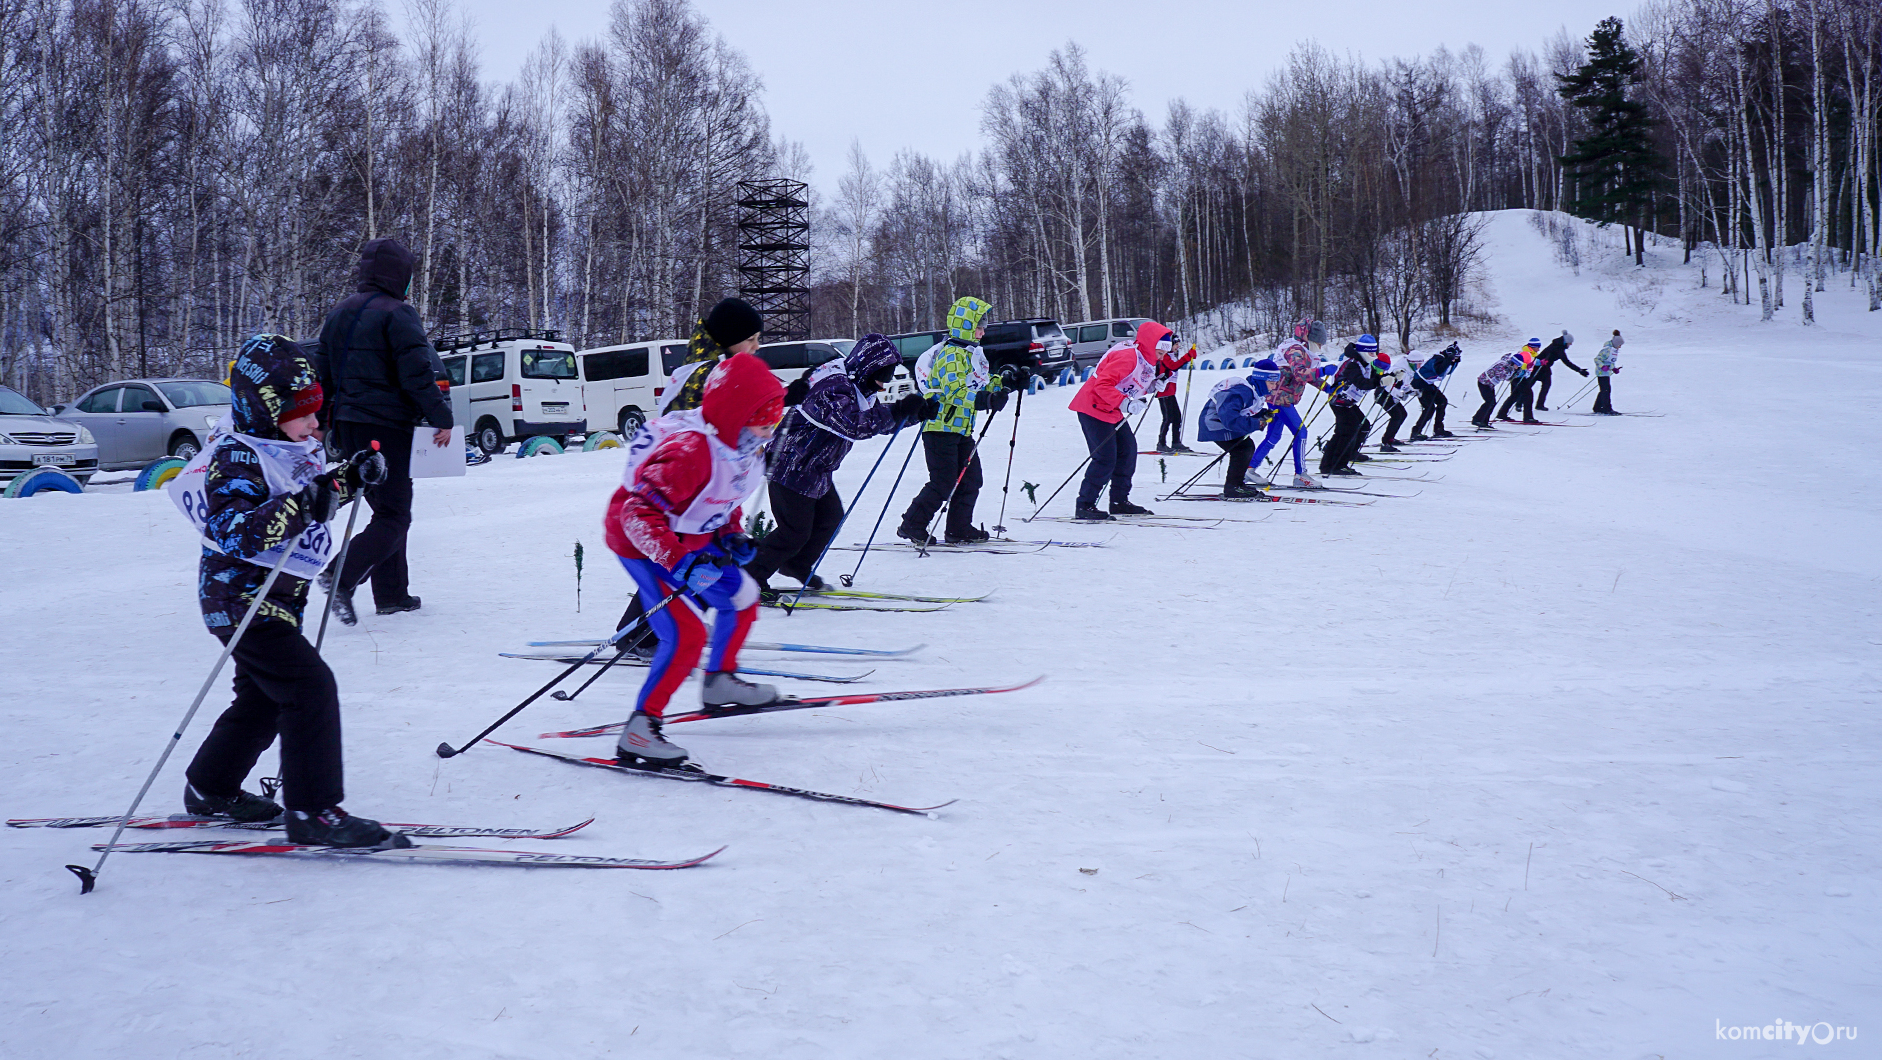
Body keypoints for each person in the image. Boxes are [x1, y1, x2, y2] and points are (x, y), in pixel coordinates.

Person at [181, 335, 402, 848]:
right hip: (238, 599)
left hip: (277, 597)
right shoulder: (235, 456)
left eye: (316, 413)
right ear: (264, 409)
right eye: (302, 415)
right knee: (309, 688)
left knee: (261, 700)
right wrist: (309, 502)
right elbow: (237, 529)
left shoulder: (287, 447)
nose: (314, 426)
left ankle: (210, 786)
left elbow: (316, 497)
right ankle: (313, 810)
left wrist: (349, 478)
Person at [603, 352, 786, 768]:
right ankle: (640, 730)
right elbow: (637, 515)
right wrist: (680, 563)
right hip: (644, 542)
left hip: (691, 534)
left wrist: (731, 533)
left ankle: (719, 681)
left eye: (774, 417)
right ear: (735, 414)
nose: (770, 427)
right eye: (763, 418)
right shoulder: (691, 451)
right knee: (685, 635)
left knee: (742, 595)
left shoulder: (744, 445)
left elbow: (723, 496)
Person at [615, 297, 766, 658]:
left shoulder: (714, 366)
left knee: (693, 557)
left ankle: (658, 627)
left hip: (696, 482)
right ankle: (643, 634)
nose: (757, 347)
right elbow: (714, 424)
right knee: (680, 556)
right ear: (731, 338)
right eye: (751, 339)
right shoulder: (709, 373)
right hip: (682, 481)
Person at [317, 238, 453, 626]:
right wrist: (440, 416)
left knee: (383, 508)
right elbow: (417, 376)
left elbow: (323, 377)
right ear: (400, 275)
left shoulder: (338, 313)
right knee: (395, 514)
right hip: (388, 425)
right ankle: (340, 576)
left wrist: (325, 424)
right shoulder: (399, 314)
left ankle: (392, 594)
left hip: (348, 426)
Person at [750, 335, 931, 594]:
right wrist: (898, 410)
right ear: (868, 367)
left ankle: (796, 563)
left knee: (830, 519)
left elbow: (873, 419)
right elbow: (853, 424)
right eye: (883, 374)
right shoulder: (832, 385)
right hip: (791, 466)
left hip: (816, 469)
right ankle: (751, 578)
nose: (885, 382)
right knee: (794, 532)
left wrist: (912, 415)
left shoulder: (858, 385)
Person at [897, 296, 1005, 545]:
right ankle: (912, 524)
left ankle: (958, 528)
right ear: (964, 325)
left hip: (962, 429)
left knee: (971, 479)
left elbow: (983, 381)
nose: (983, 331)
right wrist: (984, 401)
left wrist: (1004, 382)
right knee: (943, 482)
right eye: (979, 325)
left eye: (985, 325)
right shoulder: (950, 355)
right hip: (940, 428)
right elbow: (955, 391)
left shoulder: (971, 354)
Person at [1068, 320, 1170, 520]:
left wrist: (1152, 387)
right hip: (1092, 406)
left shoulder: (1143, 359)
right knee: (1105, 457)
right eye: (1160, 353)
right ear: (1150, 345)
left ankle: (1119, 501)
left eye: (1164, 354)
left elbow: (1129, 384)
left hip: (1110, 409)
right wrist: (1125, 403)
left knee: (1128, 451)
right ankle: (1085, 505)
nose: (1161, 358)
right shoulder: (1127, 357)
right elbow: (1103, 385)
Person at [1246, 318, 1326, 489]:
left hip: (1281, 398)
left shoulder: (1303, 350)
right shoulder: (1295, 349)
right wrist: (1323, 371)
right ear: (1306, 337)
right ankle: (1300, 475)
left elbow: (1308, 376)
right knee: (1301, 432)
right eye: (1317, 341)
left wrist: (1327, 387)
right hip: (1280, 399)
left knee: (1273, 436)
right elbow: (1300, 374)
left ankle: (1249, 469)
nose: (1320, 345)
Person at [1196, 365, 1276, 497]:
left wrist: (1262, 414)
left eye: (1275, 383)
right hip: (1214, 424)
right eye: (1271, 383)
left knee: (1245, 447)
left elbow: (1244, 412)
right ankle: (1233, 487)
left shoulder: (1252, 391)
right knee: (1242, 449)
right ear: (1261, 381)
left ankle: (1236, 484)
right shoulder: (1242, 391)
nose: (1273, 387)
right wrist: (1256, 423)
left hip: (1220, 423)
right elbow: (1230, 418)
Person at [1319, 337, 1378, 477]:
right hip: (1339, 402)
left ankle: (1330, 464)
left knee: (1361, 426)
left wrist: (1390, 377)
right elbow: (1361, 382)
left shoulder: (1364, 363)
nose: (1373, 356)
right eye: (1371, 353)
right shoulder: (1352, 364)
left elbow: (1373, 378)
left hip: (1348, 402)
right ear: (1363, 352)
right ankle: (1338, 464)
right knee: (1348, 430)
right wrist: (1380, 382)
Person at [1407, 342, 1462, 441]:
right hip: (1420, 383)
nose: (1454, 359)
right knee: (1429, 408)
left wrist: (1455, 362)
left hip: (1428, 384)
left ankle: (1438, 429)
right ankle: (1416, 432)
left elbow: (1448, 371)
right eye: (1454, 357)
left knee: (1442, 402)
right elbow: (1439, 370)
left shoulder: (1444, 359)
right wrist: (1449, 360)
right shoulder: (1437, 358)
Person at [1471, 344, 1531, 429]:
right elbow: (1504, 377)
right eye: (1517, 365)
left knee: (1492, 402)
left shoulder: (1509, 365)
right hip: (1483, 383)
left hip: (1489, 384)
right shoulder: (1503, 366)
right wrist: (1515, 372)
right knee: (1489, 402)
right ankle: (1477, 419)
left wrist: (1522, 372)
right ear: (1514, 363)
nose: (1517, 367)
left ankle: (1484, 421)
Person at [1154, 342, 1199, 453]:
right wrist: (1188, 356)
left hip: (1170, 392)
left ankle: (1176, 442)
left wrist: (1189, 357)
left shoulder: (1171, 356)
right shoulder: (1164, 356)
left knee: (1177, 417)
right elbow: (1173, 367)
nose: (1177, 347)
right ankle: (1161, 443)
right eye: (1176, 344)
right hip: (1163, 391)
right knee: (1168, 418)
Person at [1531, 329, 1588, 410]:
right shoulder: (1558, 348)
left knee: (1534, 385)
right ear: (1565, 342)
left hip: (1542, 367)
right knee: (1537, 385)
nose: (1570, 344)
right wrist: (1579, 370)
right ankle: (1536, 404)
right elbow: (1566, 362)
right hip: (1540, 367)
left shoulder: (1557, 344)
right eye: (1570, 343)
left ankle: (1525, 403)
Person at [1371, 351, 1413, 452]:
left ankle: (1390, 438)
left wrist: (1399, 380)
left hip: (1388, 396)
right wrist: (1400, 395)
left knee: (1402, 414)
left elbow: (1396, 385)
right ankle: (1386, 442)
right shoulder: (1376, 371)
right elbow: (1388, 386)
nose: (1383, 368)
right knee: (1397, 415)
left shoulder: (1387, 371)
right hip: (1382, 395)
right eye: (1381, 365)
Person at [1495, 337, 1544, 423]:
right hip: (1518, 377)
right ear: (1533, 346)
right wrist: (1527, 367)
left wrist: (1540, 362)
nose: (1539, 349)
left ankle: (1502, 414)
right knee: (1528, 395)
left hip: (1517, 377)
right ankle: (1528, 417)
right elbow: (1519, 364)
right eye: (1538, 347)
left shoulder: (1529, 353)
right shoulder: (1526, 353)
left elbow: (1532, 361)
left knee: (1515, 396)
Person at [1592, 331, 1623, 414]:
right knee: (1606, 390)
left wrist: (1614, 369)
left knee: (1604, 390)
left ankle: (1597, 407)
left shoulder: (1612, 350)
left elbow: (1610, 362)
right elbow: (1597, 359)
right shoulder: (1606, 350)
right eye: (1619, 345)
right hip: (1601, 373)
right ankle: (1606, 408)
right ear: (1616, 344)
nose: (1620, 347)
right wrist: (1602, 366)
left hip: (1606, 373)